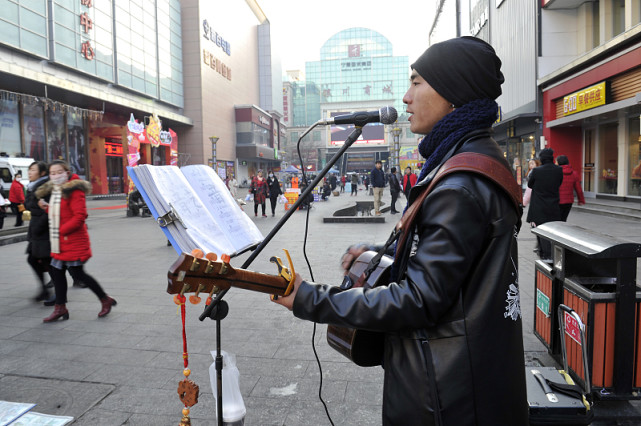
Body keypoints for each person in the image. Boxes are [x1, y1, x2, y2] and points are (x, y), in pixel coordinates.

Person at [272, 36, 527, 425]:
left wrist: (311, 300)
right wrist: (383, 251)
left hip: (449, 397)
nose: (405, 97)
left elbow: (419, 300)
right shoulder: (470, 161)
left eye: (417, 82)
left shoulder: (458, 183)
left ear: (453, 93)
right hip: (475, 380)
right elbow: (453, 262)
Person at [37, 160, 116, 322]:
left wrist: (62, 231)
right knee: (57, 273)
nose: (56, 176)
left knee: (78, 274)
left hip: (73, 241)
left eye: (59, 172)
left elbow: (80, 216)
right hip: (60, 243)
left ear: (67, 172)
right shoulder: (57, 190)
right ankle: (60, 308)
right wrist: (46, 207)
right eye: (52, 173)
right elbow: (60, 212)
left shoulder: (75, 190)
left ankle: (104, 299)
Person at [526, 148, 563, 260]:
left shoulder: (537, 171)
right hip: (553, 205)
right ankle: (549, 253)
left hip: (539, 206)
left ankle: (545, 254)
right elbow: (559, 183)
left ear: (542, 158)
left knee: (540, 230)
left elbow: (530, 185)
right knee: (551, 230)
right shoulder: (558, 170)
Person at [25, 161, 53, 302]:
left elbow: (47, 211)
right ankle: (45, 290)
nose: (29, 172)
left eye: (33, 170)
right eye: (29, 170)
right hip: (36, 231)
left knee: (47, 261)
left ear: (42, 173)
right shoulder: (32, 187)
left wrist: (38, 226)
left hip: (43, 231)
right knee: (34, 259)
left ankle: (56, 294)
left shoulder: (45, 188)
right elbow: (29, 205)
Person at [557, 155, 585, 221]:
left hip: (557, 200)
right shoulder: (574, 173)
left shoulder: (556, 172)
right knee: (564, 219)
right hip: (569, 201)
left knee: (557, 220)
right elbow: (578, 189)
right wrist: (581, 200)